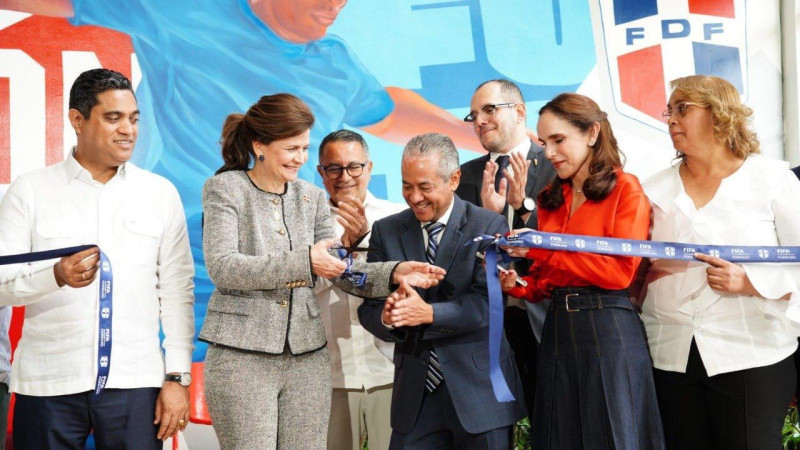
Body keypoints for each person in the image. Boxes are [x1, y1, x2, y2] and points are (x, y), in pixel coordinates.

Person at [199, 95, 445, 449]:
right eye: (291, 148)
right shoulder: (225, 188)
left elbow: (339, 271)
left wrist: (392, 274)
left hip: (308, 359)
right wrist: (305, 262)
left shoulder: (310, 197)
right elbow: (224, 268)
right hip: (242, 356)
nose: (300, 157)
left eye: (304, 147)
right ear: (260, 146)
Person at [0, 68, 195, 448]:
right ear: (77, 120)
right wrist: (54, 276)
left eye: (134, 119)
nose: (128, 130)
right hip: (48, 381)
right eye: (113, 118)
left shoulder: (159, 193)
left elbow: (177, 293)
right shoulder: (31, 190)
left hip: (136, 384)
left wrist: (177, 378)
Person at [640, 75, 800, 449]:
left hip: (751, 351)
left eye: (683, 109)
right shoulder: (651, 188)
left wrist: (750, 283)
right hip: (670, 352)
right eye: (669, 111)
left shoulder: (773, 179)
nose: (671, 120)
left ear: (720, 114)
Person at [499, 93, 664, 449]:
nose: (550, 153)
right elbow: (545, 283)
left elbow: (619, 274)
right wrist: (519, 283)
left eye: (559, 140)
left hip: (610, 328)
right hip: (557, 328)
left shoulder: (626, 189)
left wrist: (543, 249)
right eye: (544, 143)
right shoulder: (548, 198)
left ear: (591, 133)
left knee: (616, 437)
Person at [358, 132, 527, 448]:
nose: (414, 197)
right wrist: (389, 314)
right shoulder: (386, 230)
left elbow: (486, 305)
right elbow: (368, 307)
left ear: (454, 179)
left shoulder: (488, 226)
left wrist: (428, 313)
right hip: (416, 395)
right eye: (407, 186)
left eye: (425, 187)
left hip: (480, 394)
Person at [456, 79, 556, 415]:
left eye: (488, 109)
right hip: (489, 324)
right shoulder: (463, 178)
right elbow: (455, 252)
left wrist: (523, 207)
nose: (479, 121)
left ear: (519, 112)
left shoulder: (557, 166)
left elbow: (568, 237)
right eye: (473, 116)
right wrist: (487, 220)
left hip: (549, 316)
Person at [314, 130, 405, 450]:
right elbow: (300, 289)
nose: (345, 177)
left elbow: (405, 285)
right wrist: (347, 253)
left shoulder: (397, 217)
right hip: (330, 376)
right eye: (334, 168)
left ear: (369, 167)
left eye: (354, 167)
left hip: (390, 372)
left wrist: (364, 249)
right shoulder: (305, 225)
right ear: (320, 172)